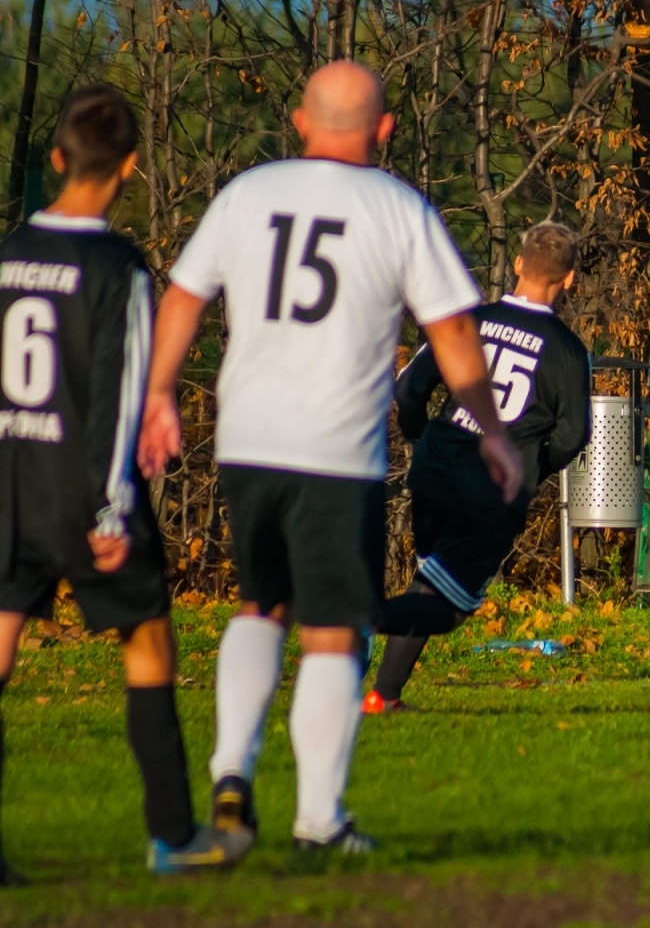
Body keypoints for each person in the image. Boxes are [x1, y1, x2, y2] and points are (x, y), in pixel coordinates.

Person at [137, 61, 523, 859]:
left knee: (259, 607)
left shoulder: (248, 193)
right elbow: (451, 332)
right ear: (383, 131)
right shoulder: (398, 207)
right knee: (333, 632)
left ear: (299, 121)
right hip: (335, 451)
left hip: (247, 442)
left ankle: (231, 777)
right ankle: (319, 819)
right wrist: (488, 427)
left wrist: (159, 395)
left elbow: (181, 298)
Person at [0, 86, 231, 878]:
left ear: (57, 159)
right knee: (149, 644)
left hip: (7, 485)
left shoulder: (4, 254)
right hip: (80, 488)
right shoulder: (117, 268)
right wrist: (110, 510)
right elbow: (124, 393)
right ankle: (173, 834)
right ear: (130, 166)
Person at [364, 223, 592, 713]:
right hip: (489, 485)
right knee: (447, 605)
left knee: (431, 578)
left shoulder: (467, 319)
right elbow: (574, 435)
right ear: (569, 280)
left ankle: (384, 695)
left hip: (436, 463)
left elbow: (409, 390)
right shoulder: (569, 351)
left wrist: (421, 438)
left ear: (517, 265)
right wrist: (530, 470)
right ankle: (356, 621)